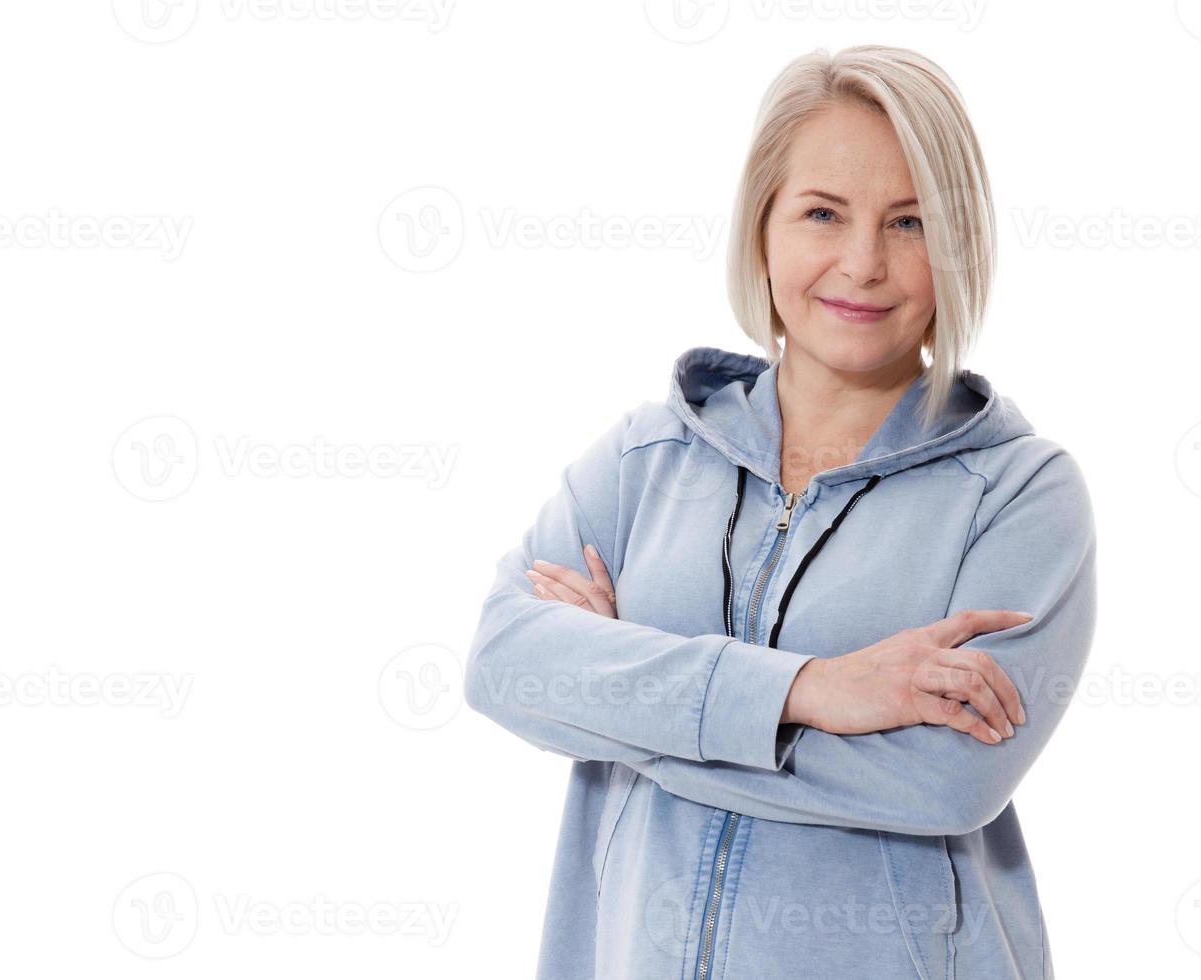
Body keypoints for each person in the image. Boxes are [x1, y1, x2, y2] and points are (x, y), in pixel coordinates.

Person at [464, 43, 1097, 980]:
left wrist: (623, 694)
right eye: (821, 213)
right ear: (760, 228)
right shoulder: (648, 457)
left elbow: (944, 778)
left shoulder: (1017, 494)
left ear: (958, 242)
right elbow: (504, 664)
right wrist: (811, 691)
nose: (862, 263)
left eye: (910, 222)